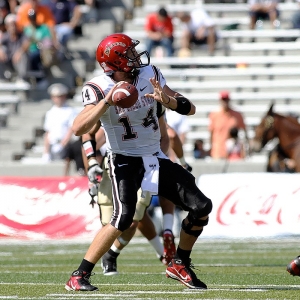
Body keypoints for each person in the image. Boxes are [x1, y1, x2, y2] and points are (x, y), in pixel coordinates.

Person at [65, 33, 212, 291]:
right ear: (116, 61)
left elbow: (190, 108)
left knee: (201, 206)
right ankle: (79, 275)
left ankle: (179, 263)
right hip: (123, 159)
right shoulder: (97, 87)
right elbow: (79, 128)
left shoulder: (149, 74)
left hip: (154, 157)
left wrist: (168, 101)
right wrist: (108, 101)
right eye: (129, 54)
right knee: (123, 218)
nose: (136, 57)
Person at [82, 124, 176, 275]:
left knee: (132, 221)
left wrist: (161, 161)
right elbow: (87, 136)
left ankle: (110, 255)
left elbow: (170, 136)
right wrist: (92, 171)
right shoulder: (113, 109)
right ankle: (87, 269)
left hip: (144, 165)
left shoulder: (147, 104)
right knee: (110, 224)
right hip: (115, 167)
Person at [42, 83, 78, 162]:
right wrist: (46, 152)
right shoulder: (50, 112)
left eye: (60, 96)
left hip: (66, 145)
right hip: (52, 144)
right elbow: (48, 132)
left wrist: (62, 144)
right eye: (55, 96)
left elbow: (71, 129)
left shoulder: (71, 111)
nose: (58, 99)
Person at [208, 90, 248, 160]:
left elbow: (244, 132)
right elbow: (211, 133)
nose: (225, 102)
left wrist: (244, 150)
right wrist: (211, 148)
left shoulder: (237, 115)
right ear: (220, 101)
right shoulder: (214, 115)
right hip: (218, 152)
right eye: (223, 100)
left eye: (226, 100)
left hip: (233, 153)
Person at [0, 14, 28, 82]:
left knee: (23, 56)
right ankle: (2, 78)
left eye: (14, 24)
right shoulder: (6, 36)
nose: (13, 27)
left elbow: (27, 43)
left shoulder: (22, 35)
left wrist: (19, 52)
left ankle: (22, 79)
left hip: (19, 62)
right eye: (11, 25)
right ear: (7, 26)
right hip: (8, 61)